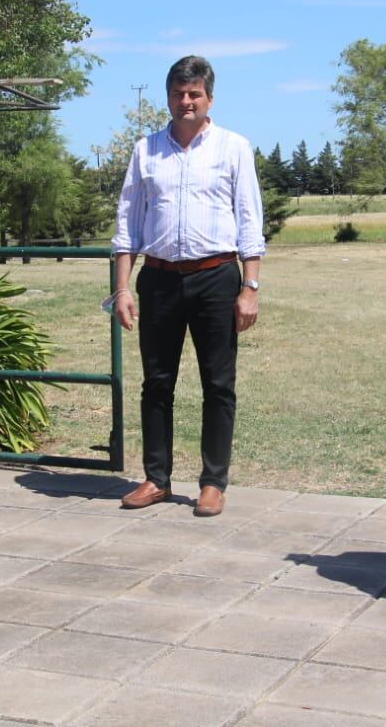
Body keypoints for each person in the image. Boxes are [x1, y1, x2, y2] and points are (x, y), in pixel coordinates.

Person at [110, 55, 265, 517]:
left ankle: (213, 482)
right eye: (178, 94)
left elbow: (249, 221)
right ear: (168, 98)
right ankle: (156, 478)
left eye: (194, 93)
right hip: (158, 279)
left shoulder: (234, 148)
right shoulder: (146, 151)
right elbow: (127, 224)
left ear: (209, 98)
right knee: (156, 384)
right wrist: (123, 288)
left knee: (218, 384)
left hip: (217, 277)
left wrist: (250, 286)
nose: (186, 102)